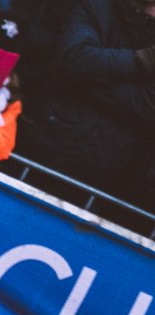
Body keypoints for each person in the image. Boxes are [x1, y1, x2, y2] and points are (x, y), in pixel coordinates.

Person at [23, 0, 155, 209]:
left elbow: (148, 106)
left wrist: (81, 79)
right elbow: (73, 58)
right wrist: (142, 60)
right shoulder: (98, 5)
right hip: (50, 148)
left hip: (118, 179)